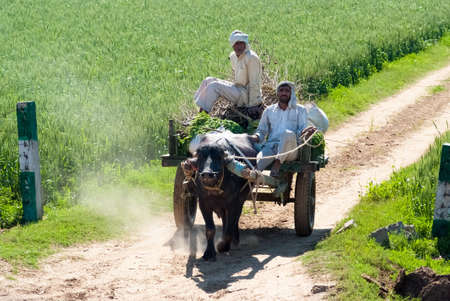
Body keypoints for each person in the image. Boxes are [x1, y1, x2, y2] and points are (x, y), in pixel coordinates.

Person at [248, 81, 316, 177]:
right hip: (271, 147)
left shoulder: (300, 110)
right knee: (256, 168)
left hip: (291, 150)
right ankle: (251, 181)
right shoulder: (269, 110)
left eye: (287, 91)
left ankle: (278, 163)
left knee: (287, 133)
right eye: (281, 90)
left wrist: (306, 132)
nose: (284, 93)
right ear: (277, 93)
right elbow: (262, 131)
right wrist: (253, 137)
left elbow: (302, 130)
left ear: (291, 93)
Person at [194, 30, 262, 119]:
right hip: (237, 88)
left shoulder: (251, 57)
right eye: (236, 44)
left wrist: (253, 104)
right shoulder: (233, 56)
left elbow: (254, 82)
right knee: (208, 80)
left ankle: (202, 117)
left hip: (245, 95)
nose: (239, 46)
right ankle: (198, 109)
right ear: (232, 45)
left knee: (214, 86)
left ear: (245, 44)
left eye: (241, 43)